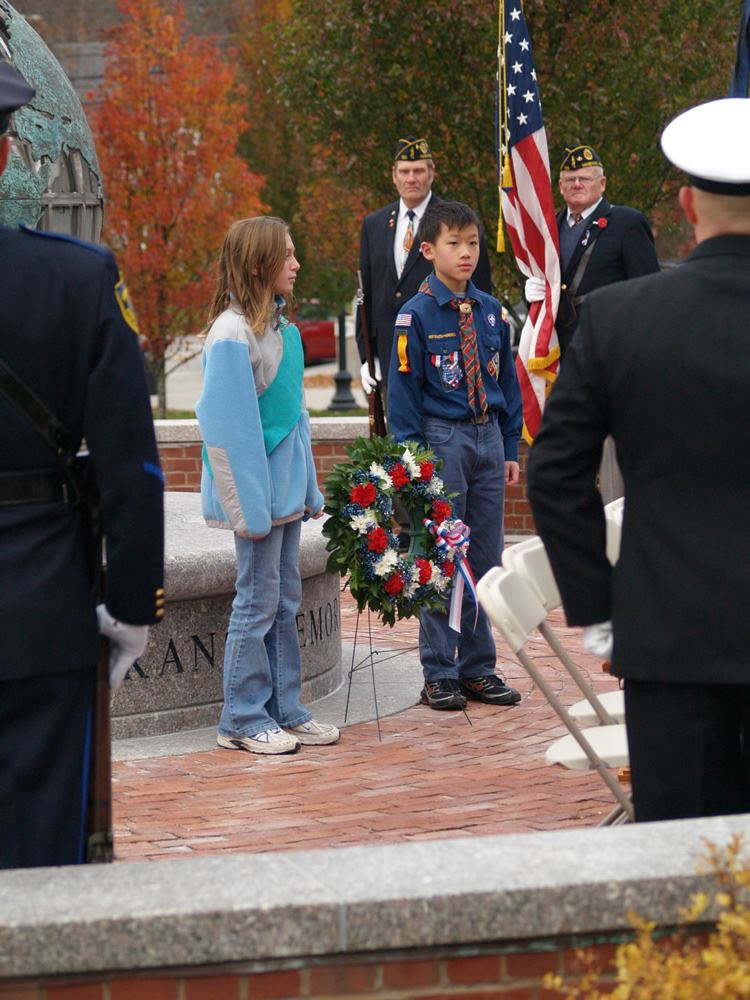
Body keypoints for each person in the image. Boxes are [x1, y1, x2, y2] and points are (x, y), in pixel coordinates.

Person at [527, 97, 750, 822]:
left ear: (687, 204)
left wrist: (598, 609)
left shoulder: (620, 318)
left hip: (667, 636)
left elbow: (556, 472)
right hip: (668, 639)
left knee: (681, 882)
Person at [0, 63, 165, 869]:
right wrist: (131, 606)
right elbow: (131, 464)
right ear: (7, 158)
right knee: (42, 873)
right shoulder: (77, 278)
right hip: (40, 611)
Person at [196, 216, 340, 755]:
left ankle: (285, 707)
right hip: (258, 505)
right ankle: (241, 717)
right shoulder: (231, 334)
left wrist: (307, 492)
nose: (296, 264)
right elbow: (229, 433)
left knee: (284, 601)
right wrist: (249, 510)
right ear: (259, 264)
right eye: (287, 255)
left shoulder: (281, 330)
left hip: (281, 501)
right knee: (256, 602)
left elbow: (293, 420)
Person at [388, 200, 523, 711]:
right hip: (441, 440)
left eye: (472, 243)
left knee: (485, 559)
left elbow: (505, 383)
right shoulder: (414, 316)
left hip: (487, 438)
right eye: (453, 244)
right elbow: (402, 398)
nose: (465, 253)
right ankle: (439, 670)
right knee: (443, 556)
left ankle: (478, 667)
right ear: (428, 250)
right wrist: (414, 463)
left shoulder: (489, 311)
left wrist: (508, 446)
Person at [526, 144, 660, 503]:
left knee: (614, 465)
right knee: (573, 456)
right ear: (559, 185)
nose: (576, 184)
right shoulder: (549, 227)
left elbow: (649, 291)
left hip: (614, 355)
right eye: (569, 179)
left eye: (585, 178)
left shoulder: (626, 223)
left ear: (602, 182)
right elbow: (552, 290)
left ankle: (620, 537)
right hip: (565, 355)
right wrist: (532, 295)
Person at [357, 136, 493, 398]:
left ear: (432, 174)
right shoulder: (374, 224)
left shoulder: (458, 220)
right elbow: (365, 294)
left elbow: (481, 288)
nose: (411, 178)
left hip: (443, 358)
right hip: (389, 359)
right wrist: (367, 356)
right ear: (394, 176)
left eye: (419, 170)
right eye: (404, 172)